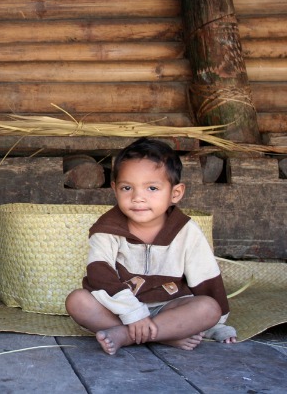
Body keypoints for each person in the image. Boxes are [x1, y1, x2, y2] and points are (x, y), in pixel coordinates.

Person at [65, 137, 237, 355]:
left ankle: (127, 336)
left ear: (175, 193)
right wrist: (133, 314)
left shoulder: (185, 230)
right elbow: (99, 275)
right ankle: (164, 336)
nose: (138, 198)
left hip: (171, 307)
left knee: (209, 308)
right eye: (127, 188)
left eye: (152, 188)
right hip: (120, 309)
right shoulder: (106, 229)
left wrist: (216, 324)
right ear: (115, 189)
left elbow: (206, 276)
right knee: (77, 301)